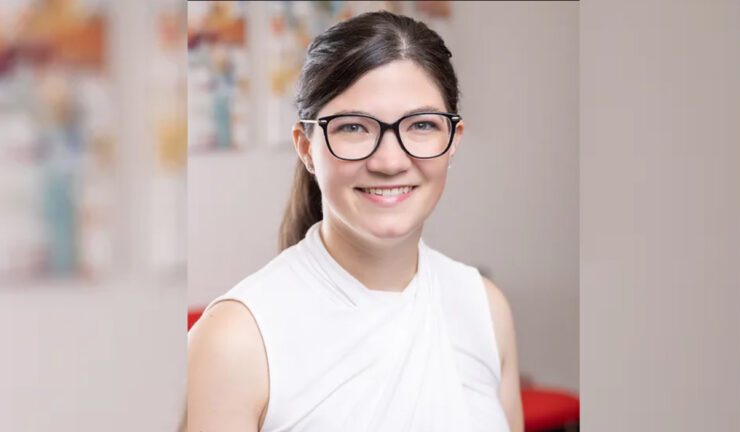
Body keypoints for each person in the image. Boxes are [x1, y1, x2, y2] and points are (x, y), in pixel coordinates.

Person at [187, 11, 523, 432]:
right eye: (353, 128)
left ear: (452, 141)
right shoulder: (234, 340)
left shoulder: (485, 309)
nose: (389, 161)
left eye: (420, 125)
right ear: (307, 147)